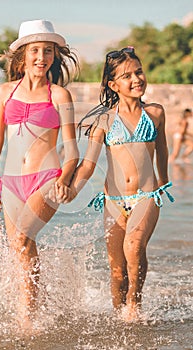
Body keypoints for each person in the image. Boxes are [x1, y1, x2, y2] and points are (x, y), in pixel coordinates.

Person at [58, 47, 174, 321]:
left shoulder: (155, 113)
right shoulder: (104, 120)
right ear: (113, 85)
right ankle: (117, 314)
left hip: (147, 196)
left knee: (134, 247)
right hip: (113, 201)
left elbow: (163, 148)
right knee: (117, 268)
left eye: (139, 71)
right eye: (126, 76)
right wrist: (72, 189)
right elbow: (88, 164)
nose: (136, 79)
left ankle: (134, 305)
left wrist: (164, 179)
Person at [0, 19, 79, 329]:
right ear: (23, 55)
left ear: (55, 56)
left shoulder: (60, 96)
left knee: (24, 238)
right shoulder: (4, 92)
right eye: (36, 50)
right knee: (20, 249)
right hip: (10, 181)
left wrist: (65, 179)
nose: (42, 57)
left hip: (47, 179)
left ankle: (27, 319)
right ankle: (40, 303)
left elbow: (72, 149)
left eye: (48, 51)